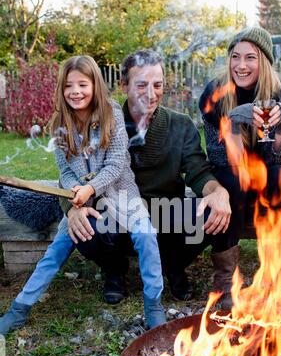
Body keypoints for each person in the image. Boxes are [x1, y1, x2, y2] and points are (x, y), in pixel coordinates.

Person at [0, 55, 166, 335]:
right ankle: (19, 308)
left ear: (95, 86)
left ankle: (153, 303)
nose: (75, 91)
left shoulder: (112, 114)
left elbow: (116, 163)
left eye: (82, 84)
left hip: (120, 192)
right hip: (81, 200)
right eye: (69, 86)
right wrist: (75, 201)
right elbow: (64, 171)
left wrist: (92, 187)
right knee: (56, 251)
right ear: (62, 90)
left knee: (146, 235)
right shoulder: (59, 124)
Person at [62, 50, 235, 309]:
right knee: (84, 226)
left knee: (215, 209)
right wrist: (71, 209)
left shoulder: (180, 124)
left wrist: (217, 191)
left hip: (167, 218)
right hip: (117, 218)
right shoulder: (101, 123)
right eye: (141, 85)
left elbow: (198, 171)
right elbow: (72, 174)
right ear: (124, 85)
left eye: (158, 85)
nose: (151, 94)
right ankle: (115, 270)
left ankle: (173, 266)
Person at [199, 26, 281, 297]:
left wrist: (278, 131)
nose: (241, 65)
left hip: (266, 168)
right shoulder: (216, 94)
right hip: (230, 168)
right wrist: (233, 127)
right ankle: (225, 281)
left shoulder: (278, 94)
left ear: (263, 60)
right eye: (235, 57)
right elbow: (218, 157)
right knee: (233, 185)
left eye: (250, 57)